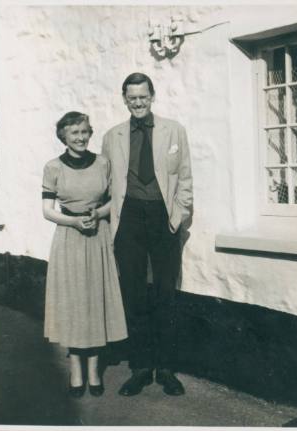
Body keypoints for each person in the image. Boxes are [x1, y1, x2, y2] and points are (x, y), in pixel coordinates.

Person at [102, 72, 193, 396]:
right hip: (129, 219)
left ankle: (166, 369)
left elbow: (184, 177)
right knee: (133, 292)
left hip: (162, 217)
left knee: (167, 292)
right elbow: (107, 181)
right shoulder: (113, 135)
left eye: (143, 97)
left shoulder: (173, 130)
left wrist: (178, 215)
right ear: (124, 99)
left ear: (152, 96)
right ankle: (140, 368)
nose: (138, 103)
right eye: (132, 98)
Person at [42, 111, 127, 398]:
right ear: (63, 136)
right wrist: (75, 221)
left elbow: (114, 200)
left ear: (90, 133)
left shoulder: (103, 163)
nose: (80, 137)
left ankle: (94, 370)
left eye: (84, 132)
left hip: (98, 237)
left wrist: (97, 213)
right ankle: (76, 370)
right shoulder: (53, 167)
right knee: (74, 303)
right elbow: (47, 210)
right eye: (73, 133)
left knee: (95, 301)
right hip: (69, 239)